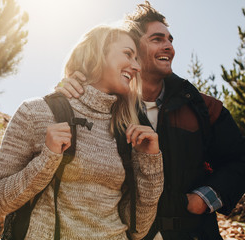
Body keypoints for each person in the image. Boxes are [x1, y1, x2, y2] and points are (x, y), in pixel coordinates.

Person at [56, 2, 245, 240]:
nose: (169, 47)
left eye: (170, 40)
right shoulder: (107, 105)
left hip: (194, 233)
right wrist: (66, 86)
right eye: (157, 39)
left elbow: (239, 159)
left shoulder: (203, 106)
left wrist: (204, 198)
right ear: (133, 48)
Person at [0, 23, 164, 240]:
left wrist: (150, 162)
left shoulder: (126, 130)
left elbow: (137, 229)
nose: (136, 67)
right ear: (97, 54)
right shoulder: (36, 112)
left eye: (137, 59)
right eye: (128, 54)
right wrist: (47, 159)